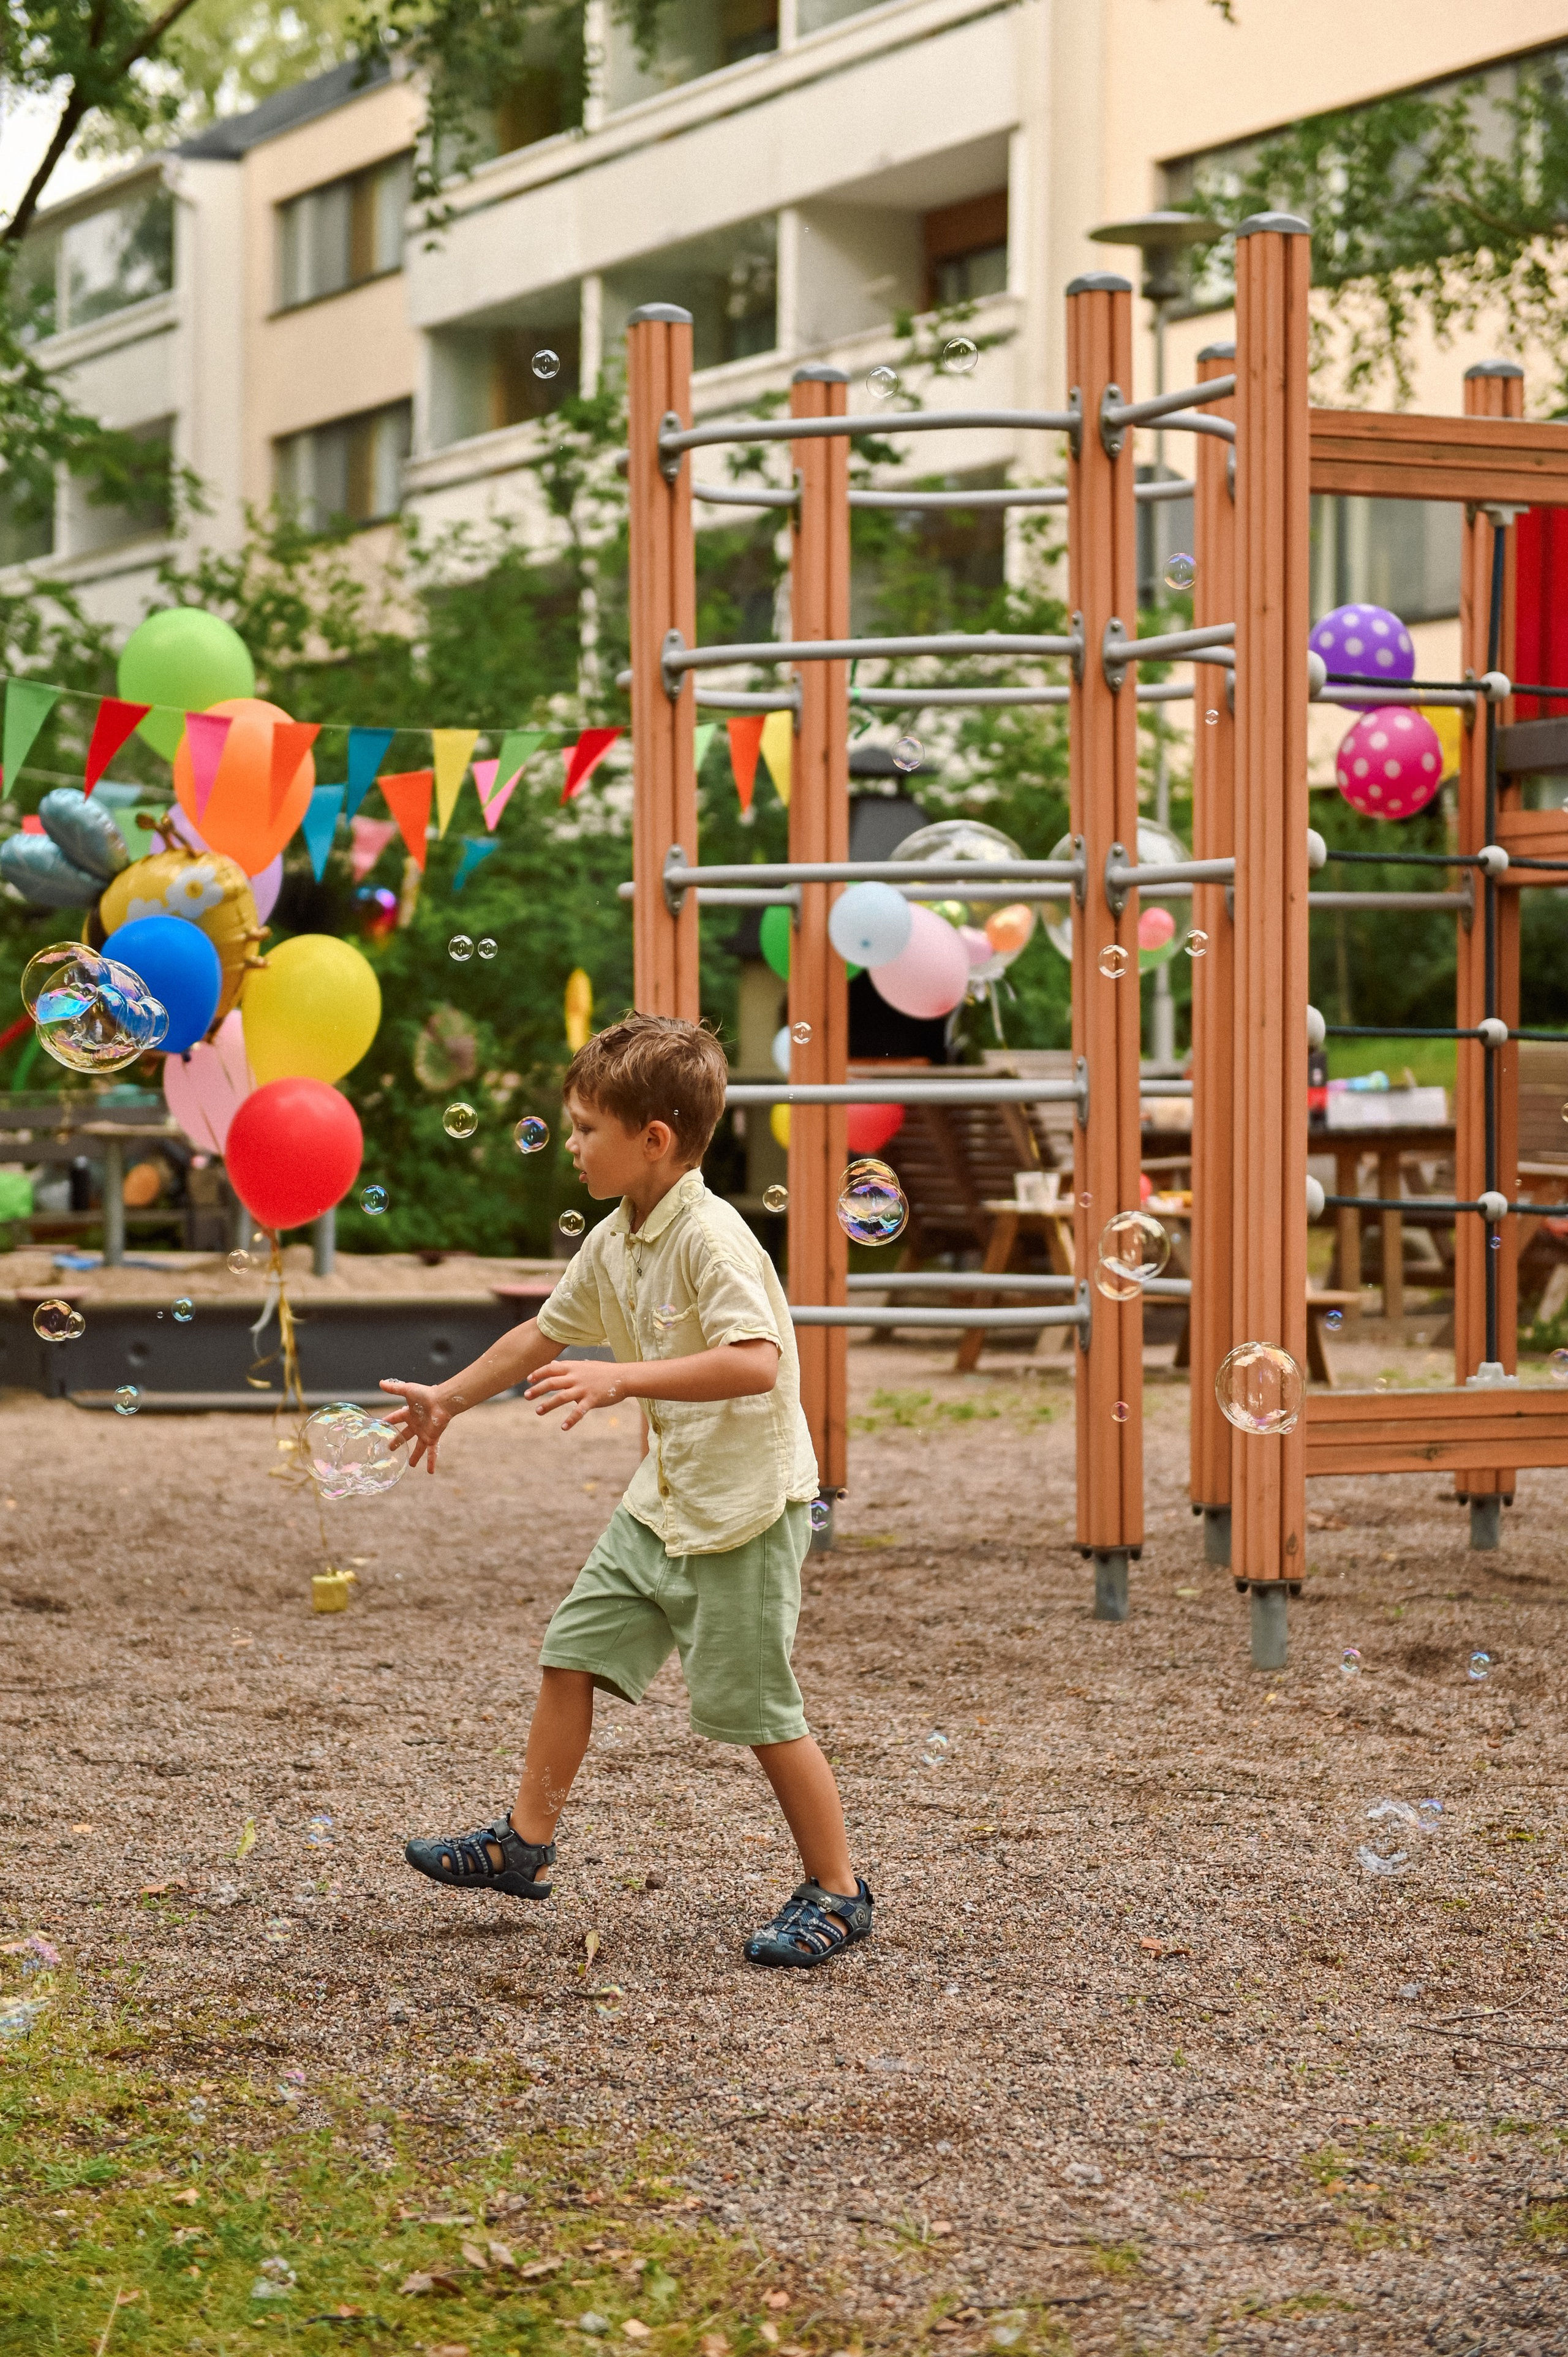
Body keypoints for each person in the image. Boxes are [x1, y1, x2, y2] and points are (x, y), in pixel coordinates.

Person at [380, 1011, 872, 1969]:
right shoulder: (617, 1238)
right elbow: (541, 1337)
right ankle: (524, 1844)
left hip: (741, 1513)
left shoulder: (712, 1237)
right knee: (571, 1654)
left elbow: (756, 1364)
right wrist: (450, 1398)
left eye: (583, 1129)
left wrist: (624, 1380)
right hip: (665, 1501)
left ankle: (840, 1891)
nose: (568, 1146)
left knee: (760, 1714)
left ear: (653, 1141)